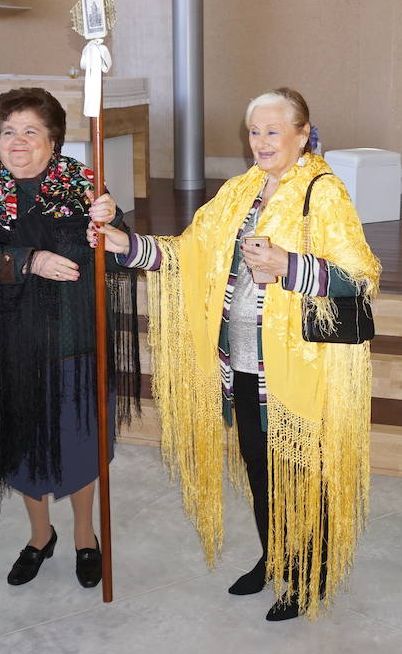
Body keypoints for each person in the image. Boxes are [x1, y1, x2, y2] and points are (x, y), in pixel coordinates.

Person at [93, 88, 380, 622]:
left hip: (301, 370)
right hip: (243, 363)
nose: (263, 141)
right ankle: (275, 557)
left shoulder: (325, 192)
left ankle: (306, 575)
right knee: (257, 467)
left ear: (302, 133)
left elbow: (361, 277)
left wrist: (289, 265)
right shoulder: (239, 191)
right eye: (255, 131)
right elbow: (190, 252)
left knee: (298, 472)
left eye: (274, 131)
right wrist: (127, 247)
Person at [0, 88, 140, 589]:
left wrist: (110, 220)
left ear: (54, 142)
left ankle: (83, 537)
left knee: (79, 446)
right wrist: (29, 261)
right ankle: (39, 537)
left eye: (31, 131)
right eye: (8, 131)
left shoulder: (82, 187)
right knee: (26, 451)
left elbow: (115, 250)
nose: (17, 141)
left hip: (75, 341)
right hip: (15, 348)